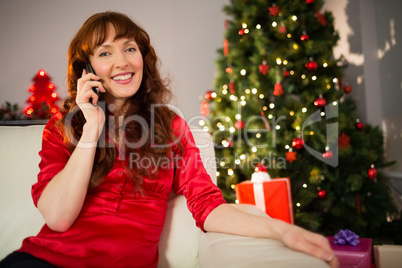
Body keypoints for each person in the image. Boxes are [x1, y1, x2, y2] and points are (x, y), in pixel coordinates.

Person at [0, 11, 338, 268]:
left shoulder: (171, 128)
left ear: (142, 58)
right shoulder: (63, 127)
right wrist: (90, 129)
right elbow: (58, 218)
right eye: (105, 53)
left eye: (129, 48)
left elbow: (208, 207)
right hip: (43, 260)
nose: (122, 61)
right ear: (86, 68)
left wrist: (281, 231)